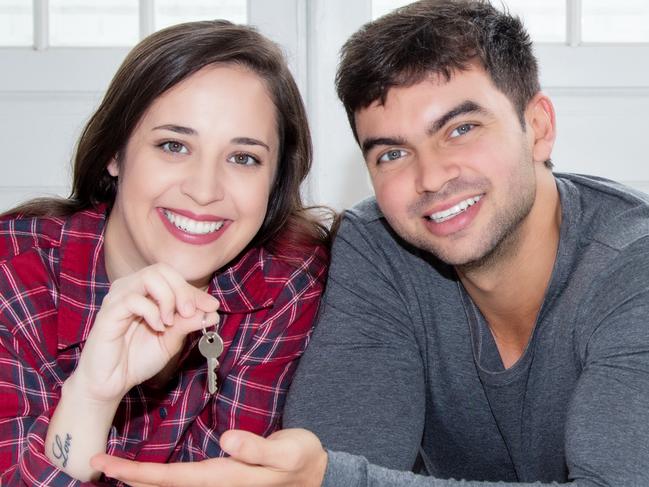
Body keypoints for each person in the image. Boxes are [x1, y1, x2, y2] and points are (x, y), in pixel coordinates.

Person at [91, 0, 649, 486]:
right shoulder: (380, 247)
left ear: (538, 126)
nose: (431, 178)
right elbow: (346, 452)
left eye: (461, 129)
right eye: (392, 153)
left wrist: (331, 478)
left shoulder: (633, 267)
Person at [0, 18, 331, 485]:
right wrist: (92, 395)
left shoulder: (286, 285)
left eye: (243, 158)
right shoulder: (12, 279)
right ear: (115, 153)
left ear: (275, 183)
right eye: (174, 145)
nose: (203, 189)